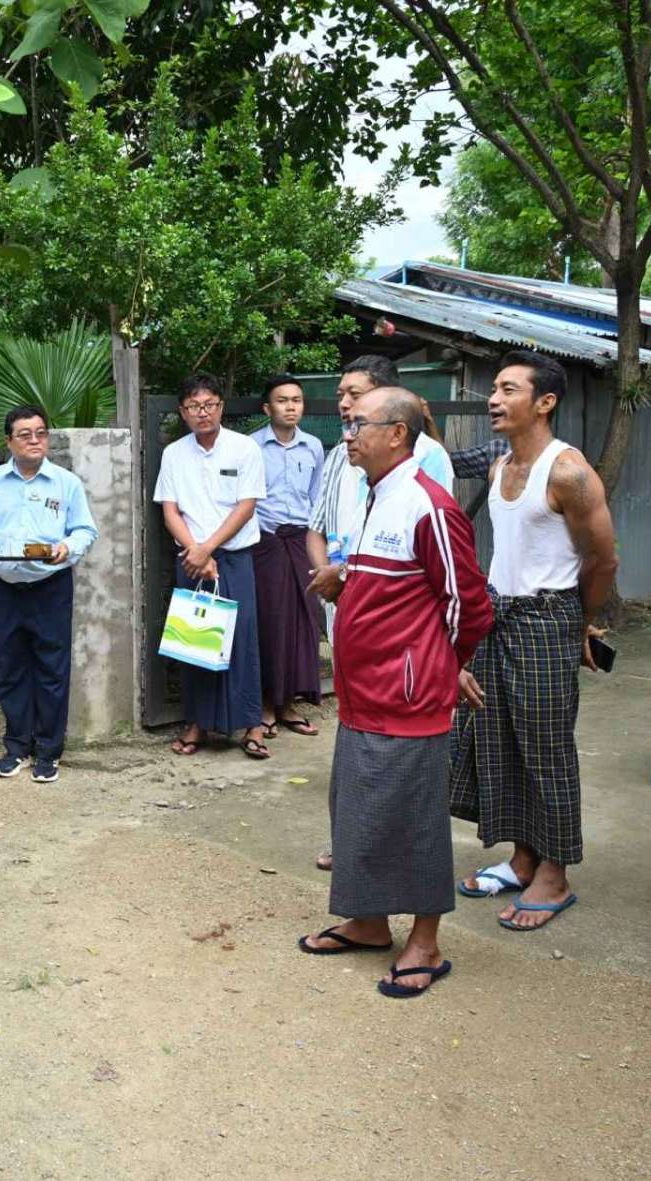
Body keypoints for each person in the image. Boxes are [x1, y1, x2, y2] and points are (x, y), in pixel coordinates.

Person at [297, 388, 492, 998]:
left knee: (414, 820)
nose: (348, 433)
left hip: (407, 696)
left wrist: (441, 665)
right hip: (364, 693)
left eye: (358, 423)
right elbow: (395, 580)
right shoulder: (375, 493)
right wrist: (348, 580)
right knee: (358, 808)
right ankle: (369, 921)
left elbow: (469, 605)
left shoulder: (429, 505)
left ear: (398, 433)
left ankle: (425, 943)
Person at [451, 350, 618, 930]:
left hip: (547, 619)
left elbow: (603, 559)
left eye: (509, 390)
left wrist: (580, 623)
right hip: (496, 616)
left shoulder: (568, 472)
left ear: (545, 402)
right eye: (494, 388)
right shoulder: (500, 466)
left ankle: (555, 873)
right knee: (498, 738)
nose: (494, 400)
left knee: (547, 749)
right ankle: (523, 857)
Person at [0, 405, 98, 783]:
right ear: (9, 441)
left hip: (51, 586)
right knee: (11, 668)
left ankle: (49, 751)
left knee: (52, 669)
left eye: (41, 433)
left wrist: (67, 548)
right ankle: (17, 746)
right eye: (25, 434)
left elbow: (85, 530)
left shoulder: (66, 483)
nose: (35, 440)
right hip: (5, 587)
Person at [154, 373, 268, 758]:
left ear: (221, 406)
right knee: (194, 641)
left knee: (242, 640)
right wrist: (196, 552)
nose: (202, 413)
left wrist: (209, 549)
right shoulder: (174, 454)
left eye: (209, 405)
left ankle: (253, 724)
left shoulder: (244, 448)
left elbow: (246, 505)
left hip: (234, 556)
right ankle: (197, 723)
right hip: (190, 559)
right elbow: (170, 511)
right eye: (194, 406)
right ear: (183, 412)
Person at [307, 356, 403, 648]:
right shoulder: (338, 455)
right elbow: (316, 529)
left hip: (391, 610)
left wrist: (344, 576)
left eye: (355, 394)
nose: (344, 404)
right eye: (341, 395)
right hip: (339, 602)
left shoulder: (424, 455)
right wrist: (327, 579)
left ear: (386, 397)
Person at [250, 375, 325, 737]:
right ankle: (266, 705)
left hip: (302, 542)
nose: (291, 406)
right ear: (268, 408)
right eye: (282, 401)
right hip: (265, 543)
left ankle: (289, 704)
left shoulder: (313, 447)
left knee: (303, 624)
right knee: (271, 622)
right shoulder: (251, 447)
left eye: (296, 400)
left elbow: (317, 497)